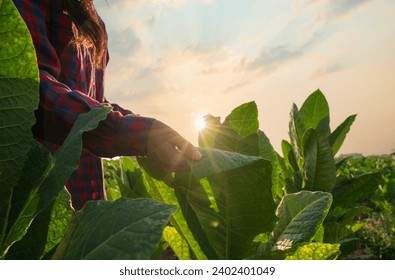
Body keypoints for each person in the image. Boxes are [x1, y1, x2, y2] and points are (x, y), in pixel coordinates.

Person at [13, 0, 202, 210]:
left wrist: (142, 127)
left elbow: (93, 100)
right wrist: (129, 132)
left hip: (86, 199)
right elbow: (28, 90)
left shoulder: (94, 23)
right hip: (32, 204)